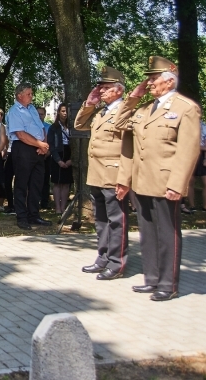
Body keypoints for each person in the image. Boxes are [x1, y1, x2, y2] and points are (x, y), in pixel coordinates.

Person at [115, 56, 200, 301]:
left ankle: (167, 283)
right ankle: (151, 279)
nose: (149, 83)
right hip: (142, 182)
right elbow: (120, 124)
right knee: (147, 232)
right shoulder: (143, 109)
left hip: (165, 182)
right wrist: (134, 96)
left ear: (169, 81)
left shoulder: (185, 108)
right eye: (149, 79)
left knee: (167, 233)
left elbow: (188, 150)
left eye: (153, 79)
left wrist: (177, 184)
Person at [74, 67, 132, 280]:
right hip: (97, 173)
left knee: (117, 220)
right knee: (101, 219)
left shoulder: (125, 110)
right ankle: (103, 257)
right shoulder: (101, 111)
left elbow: (129, 147)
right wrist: (90, 103)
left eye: (106, 88)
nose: (101, 91)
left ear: (118, 90)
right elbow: (79, 124)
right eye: (100, 87)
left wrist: (125, 177)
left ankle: (117, 263)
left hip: (114, 173)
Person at [7, 83, 51, 230]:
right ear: (20, 95)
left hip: (38, 148)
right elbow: (20, 134)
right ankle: (22, 217)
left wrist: (43, 144)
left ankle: (34, 215)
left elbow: (41, 127)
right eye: (29, 94)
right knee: (22, 184)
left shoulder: (32, 109)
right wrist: (39, 144)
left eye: (32, 94)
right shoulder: (14, 111)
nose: (31, 96)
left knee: (36, 183)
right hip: (23, 148)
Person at [185, 110, 206, 213]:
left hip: (203, 157)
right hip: (189, 155)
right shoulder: (186, 126)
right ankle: (192, 206)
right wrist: (202, 148)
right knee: (191, 181)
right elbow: (187, 145)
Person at [47, 103, 73, 215]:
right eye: (63, 111)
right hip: (58, 155)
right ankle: (57, 207)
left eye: (66, 111)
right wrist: (58, 160)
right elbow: (51, 145)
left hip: (69, 154)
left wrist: (72, 159)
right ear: (59, 112)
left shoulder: (72, 126)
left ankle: (63, 207)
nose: (65, 113)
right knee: (57, 183)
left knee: (66, 183)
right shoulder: (54, 127)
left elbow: (76, 144)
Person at [37, 106, 52, 209]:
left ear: (44, 115)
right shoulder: (31, 126)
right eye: (38, 114)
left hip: (46, 157)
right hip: (35, 156)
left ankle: (44, 202)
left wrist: (48, 152)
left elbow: (51, 142)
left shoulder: (49, 127)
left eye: (41, 114)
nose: (39, 116)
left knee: (45, 180)